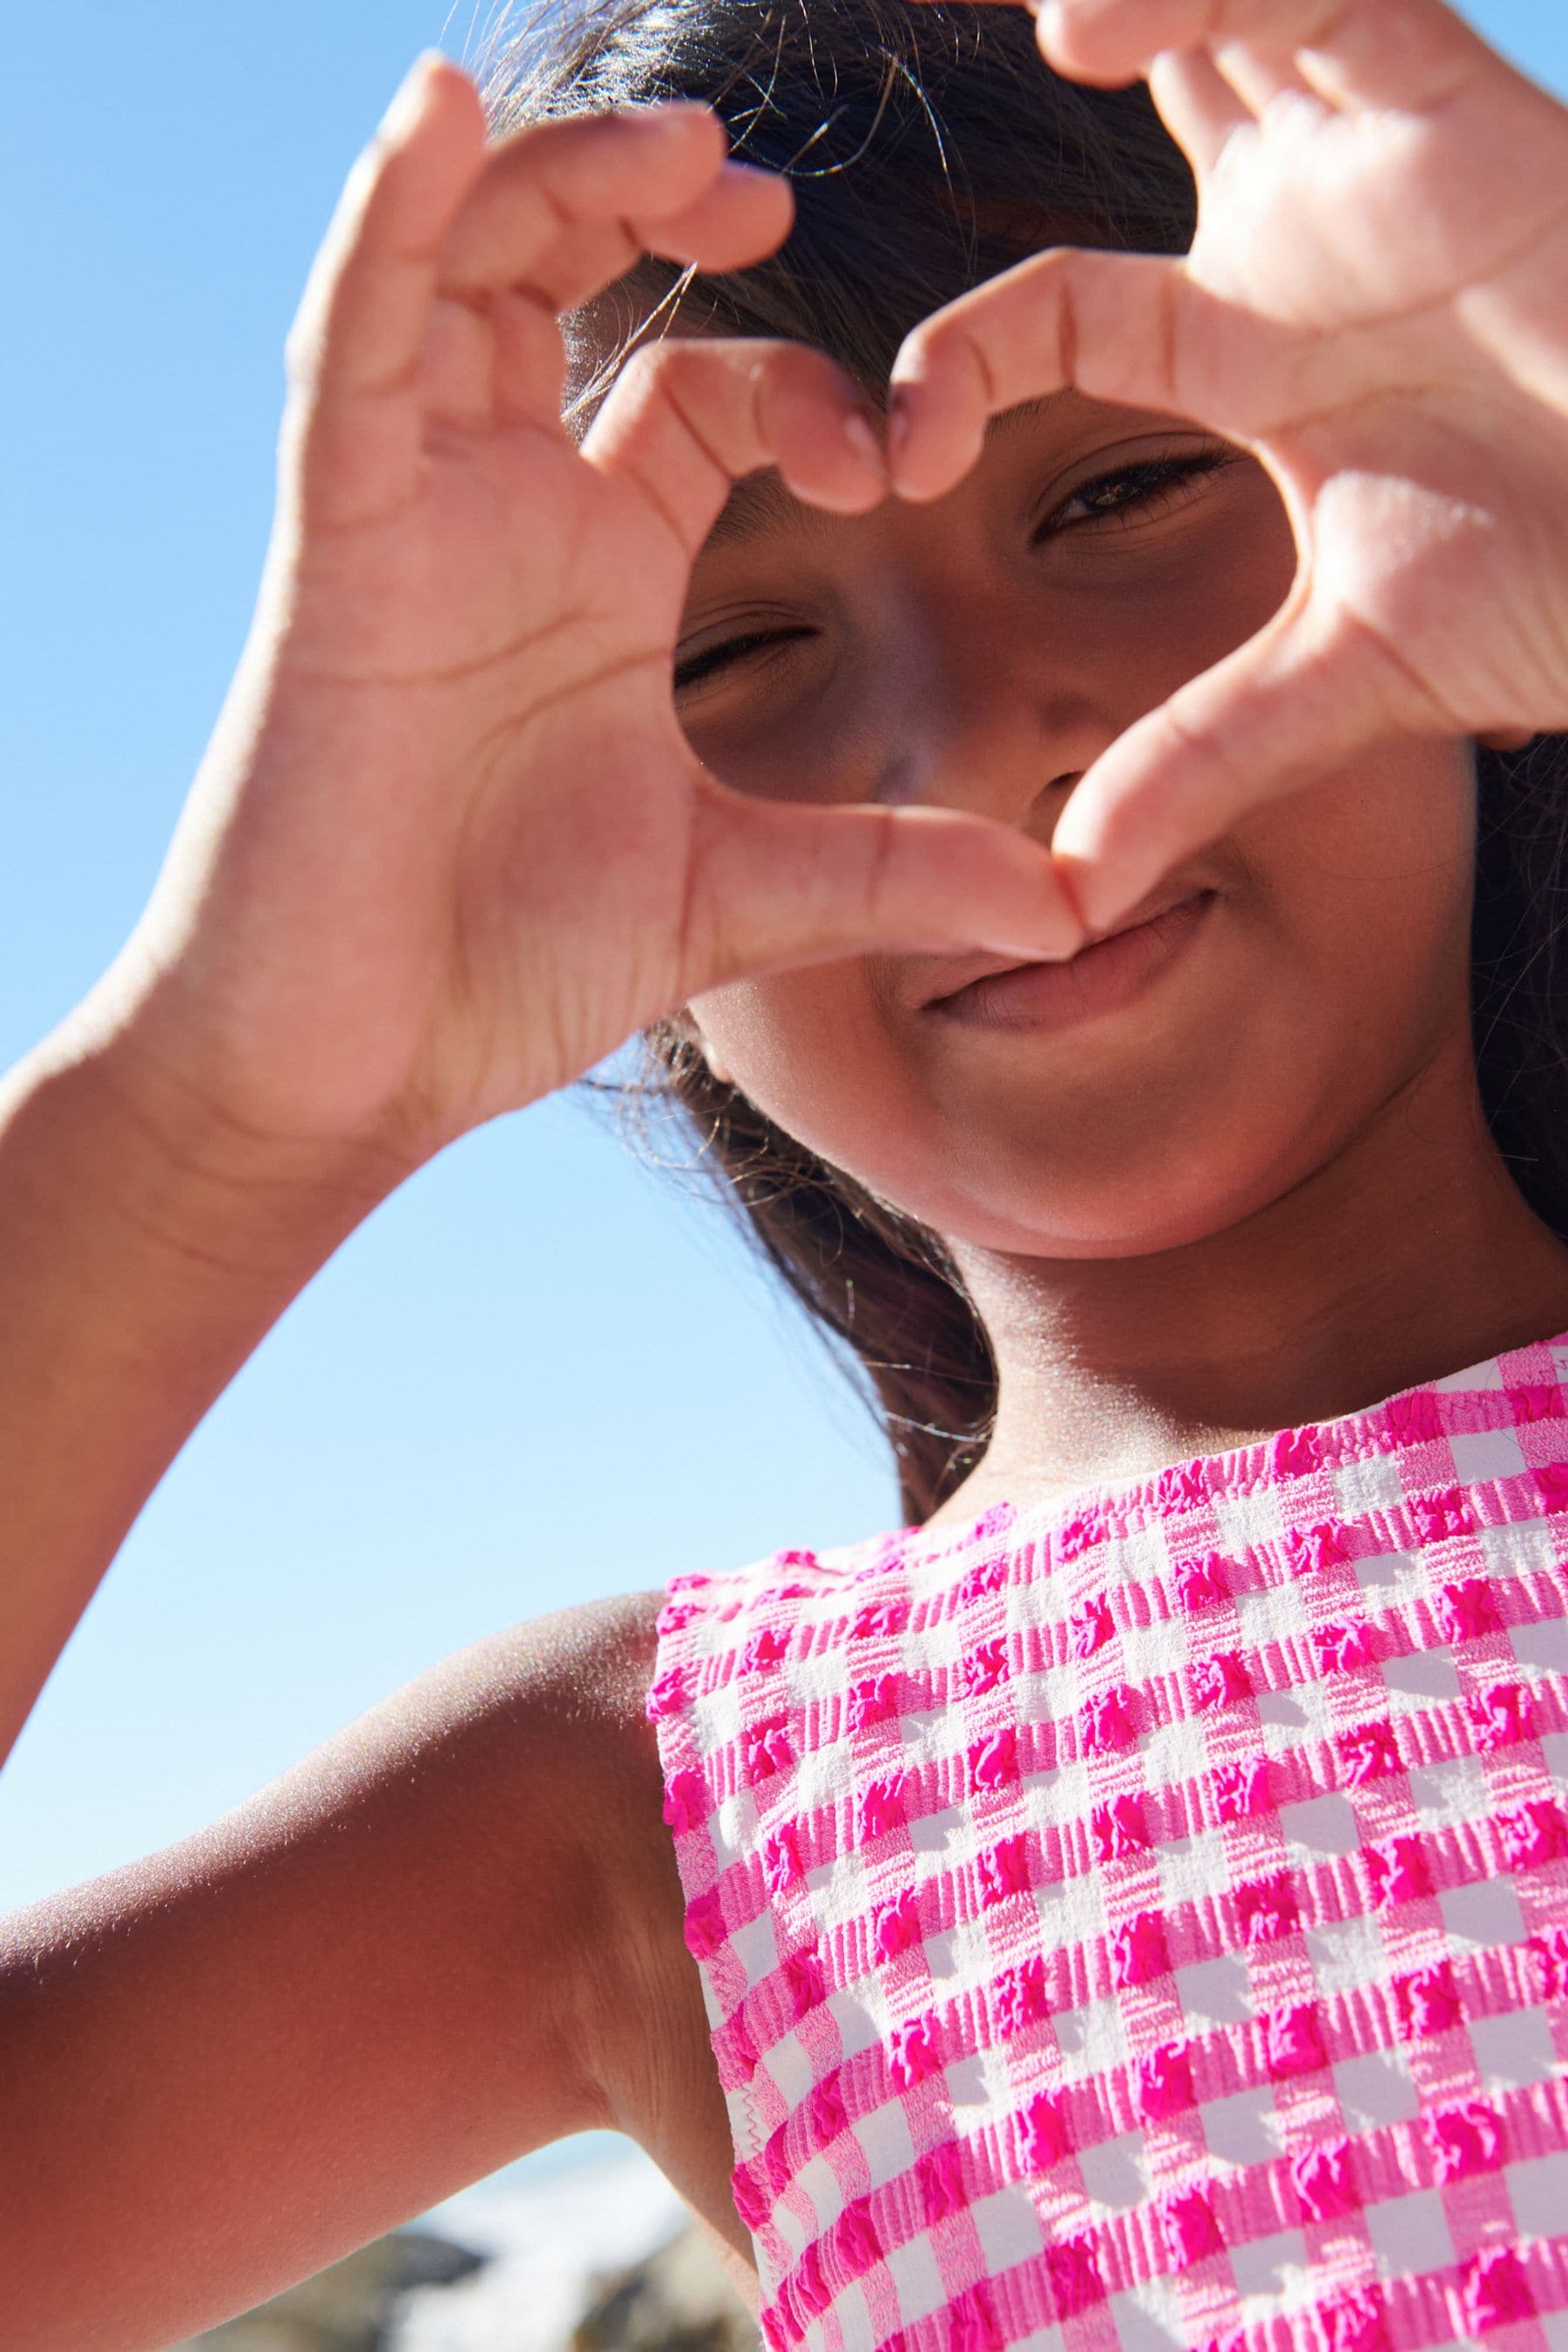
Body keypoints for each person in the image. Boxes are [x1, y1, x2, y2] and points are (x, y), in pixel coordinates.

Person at [3, 0, 1568, 2343]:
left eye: (1121, 491)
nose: (969, 741)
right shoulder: (645, 1810)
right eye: (735, 642)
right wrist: (233, 1085)